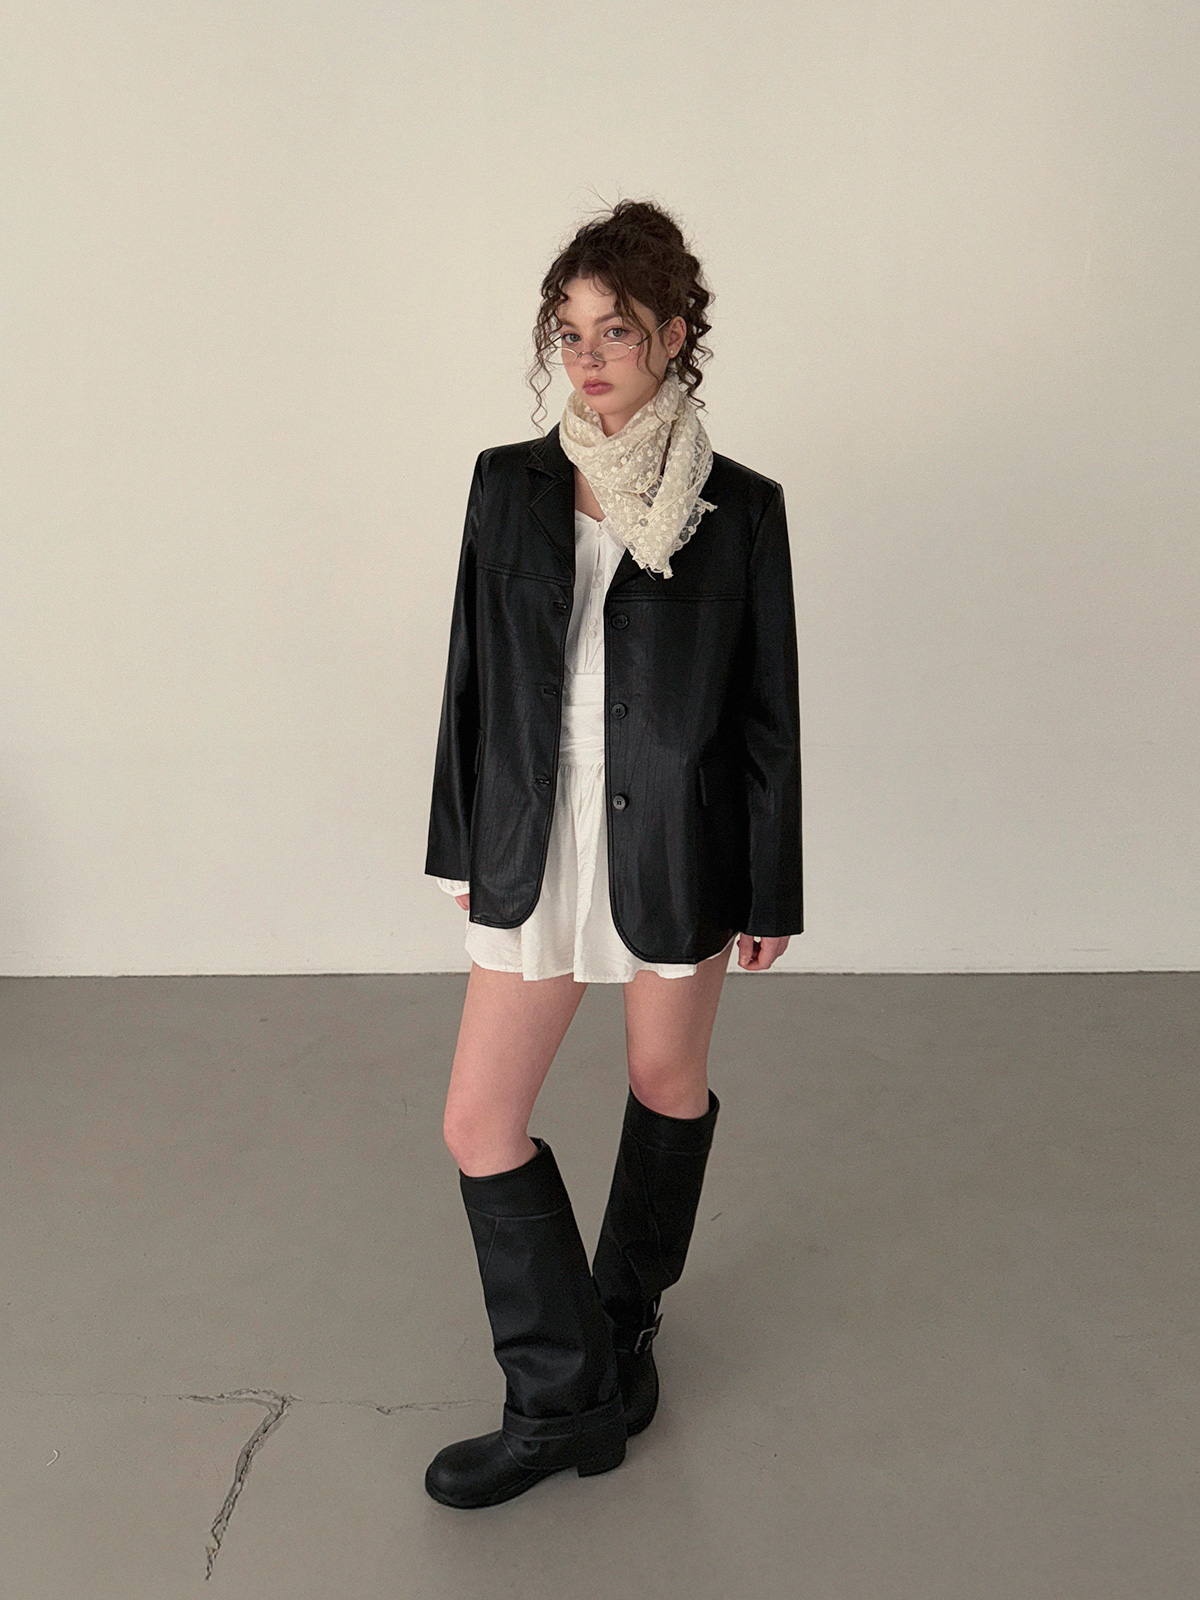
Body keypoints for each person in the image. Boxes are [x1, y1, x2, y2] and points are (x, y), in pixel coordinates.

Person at [422, 198, 803, 1509]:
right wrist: (464, 842)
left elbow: (765, 717)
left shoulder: (740, 510)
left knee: (665, 1079)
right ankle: (562, 1403)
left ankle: (624, 1326)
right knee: (479, 1121)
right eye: (570, 332)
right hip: (536, 827)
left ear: (674, 335)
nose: (587, 357)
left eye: (617, 331)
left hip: (680, 836)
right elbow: (471, 679)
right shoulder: (507, 485)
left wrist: (769, 884)